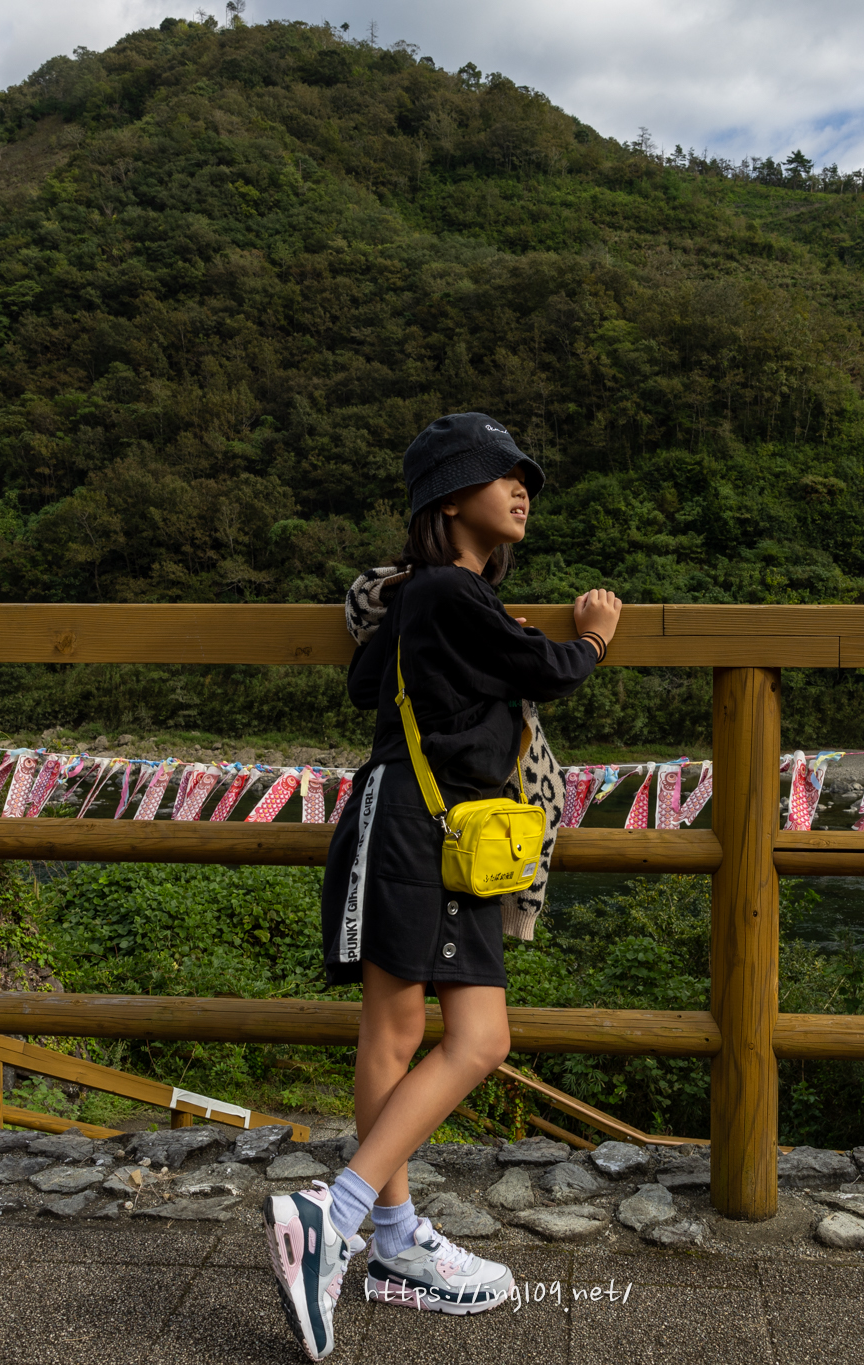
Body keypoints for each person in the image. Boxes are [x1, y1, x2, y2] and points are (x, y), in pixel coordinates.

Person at [264, 413, 622, 1361]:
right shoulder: (447, 592)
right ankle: (338, 1216)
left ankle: (387, 1239)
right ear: (450, 497)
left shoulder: (429, 601)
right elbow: (545, 668)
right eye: (502, 474)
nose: (522, 488)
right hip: (422, 831)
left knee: (413, 1033)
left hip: (423, 826)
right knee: (470, 1037)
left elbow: (369, 681)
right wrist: (593, 638)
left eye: (524, 476)